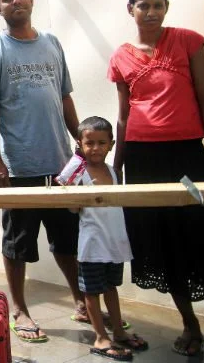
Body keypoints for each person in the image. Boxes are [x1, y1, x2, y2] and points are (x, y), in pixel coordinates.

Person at [108, 0, 204, 357]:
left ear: (166, 7)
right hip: (144, 163)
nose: (150, 11)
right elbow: (124, 117)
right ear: (130, 10)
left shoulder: (187, 41)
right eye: (143, 5)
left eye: (157, 4)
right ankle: (190, 325)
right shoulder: (121, 57)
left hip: (188, 158)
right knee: (165, 244)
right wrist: (117, 169)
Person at [0, 0, 85, 342]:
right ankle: (19, 308)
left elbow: (64, 97)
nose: (15, 1)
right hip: (19, 167)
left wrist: (81, 140)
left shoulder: (52, 43)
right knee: (17, 243)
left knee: (68, 239)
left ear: (31, 0)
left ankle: (81, 300)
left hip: (61, 164)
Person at [70, 117, 148, 361]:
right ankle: (100, 336)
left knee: (111, 288)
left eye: (101, 143)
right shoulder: (78, 172)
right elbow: (69, 205)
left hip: (114, 244)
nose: (95, 148)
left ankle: (119, 332)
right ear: (80, 144)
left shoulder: (115, 172)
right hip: (92, 246)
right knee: (91, 293)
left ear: (111, 144)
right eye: (89, 143)